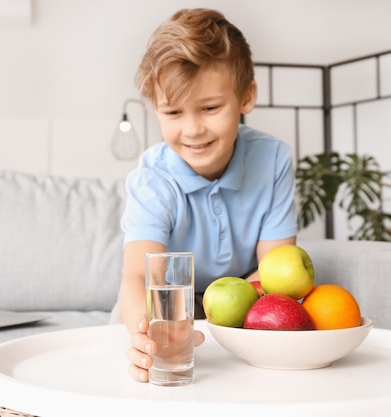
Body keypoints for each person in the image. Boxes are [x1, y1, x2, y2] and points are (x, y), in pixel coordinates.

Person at [116, 8, 298, 382]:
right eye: (173, 112)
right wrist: (145, 332)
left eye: (210, 108)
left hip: (242, 301)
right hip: (163, 307)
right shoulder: (153, 178)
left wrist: (225, 317)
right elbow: (138, 276)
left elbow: (276, 272)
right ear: (156, 110)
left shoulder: (273, 159)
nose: (193, 129)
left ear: (246, 97)